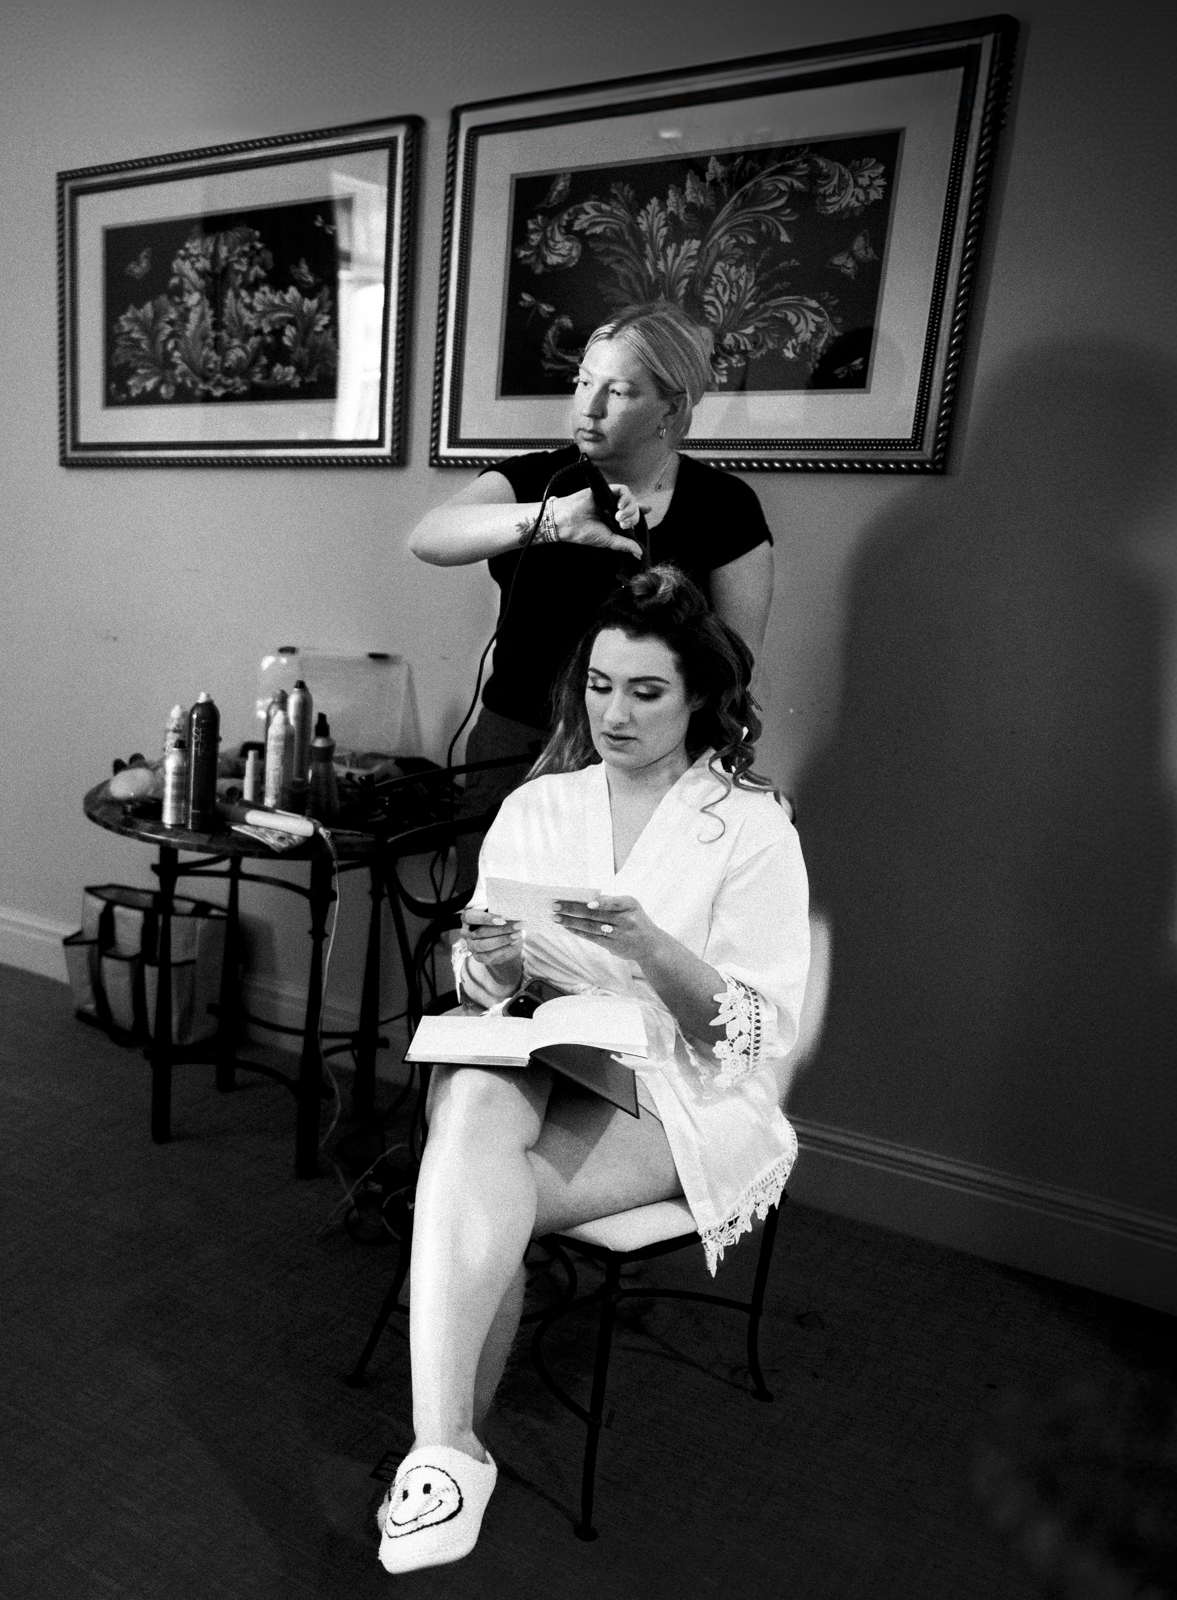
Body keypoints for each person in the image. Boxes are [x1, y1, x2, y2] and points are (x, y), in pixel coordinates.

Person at [375, 568, 808, 1573]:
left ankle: (443, 1450)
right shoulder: (543, 804)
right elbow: (489, 975)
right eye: (601, 685)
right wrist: (482, 959)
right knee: (479, 1092)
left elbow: (749, 1036)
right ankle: (447, 1447)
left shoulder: (750, 826)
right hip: (550, 1047)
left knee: (477, 1179)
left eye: (645, 691)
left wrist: (653, 944)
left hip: (678, 1091)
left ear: (700, 695)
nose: (614, 711)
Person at [406, 304, 774, 812]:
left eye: (618, 392)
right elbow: (429, 537)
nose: (589, 407)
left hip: (654, 763)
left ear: (671, 407)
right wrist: (554, 520)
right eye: (583, 383)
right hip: (518, 750)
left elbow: (734, 664)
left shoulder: (724, 506)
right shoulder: (533, 482)